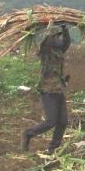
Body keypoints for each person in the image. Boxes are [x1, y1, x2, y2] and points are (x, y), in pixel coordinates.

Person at [21, 23, 71, 154]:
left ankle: (53, 147)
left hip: (59, 89)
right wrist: (51, 29)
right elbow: (47, 42)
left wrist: (64, 29)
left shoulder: (59, 51)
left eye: (58, 37)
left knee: (63, 121)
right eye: (56, 37)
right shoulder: (45, 51)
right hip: (48, 90)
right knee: (51, 121)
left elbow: (66, 43)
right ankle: (28, 134)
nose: (58, 39)